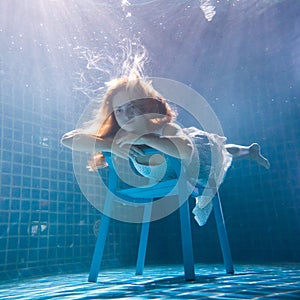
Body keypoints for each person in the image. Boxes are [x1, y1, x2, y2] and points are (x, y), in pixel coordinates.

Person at [61, 67, 270, 226]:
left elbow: (187, 149)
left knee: (223, 150)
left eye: (133, 106)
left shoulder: (165, 128)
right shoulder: (120, 137)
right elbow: (68, 139)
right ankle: (249, 151)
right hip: (171, 175)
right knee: (225, 150)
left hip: (200, 155)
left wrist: (150, 140)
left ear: (146, 106)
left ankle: (249, 151)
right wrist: (110, 146)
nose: (127, 115)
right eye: (120, 110)